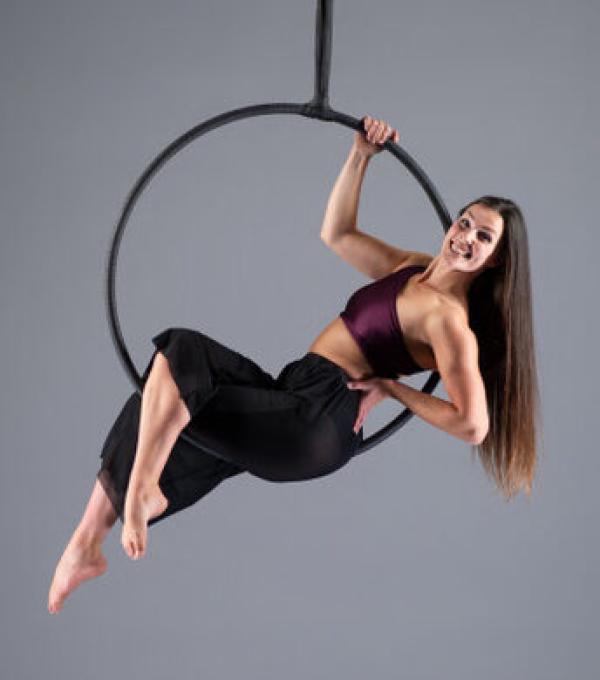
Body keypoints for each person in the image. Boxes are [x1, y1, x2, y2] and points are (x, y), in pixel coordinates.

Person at [48, 115, 540, 613]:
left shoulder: (449, 322)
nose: (466, 238)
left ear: (496, 260)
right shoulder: (412, 269)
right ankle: (89, 542)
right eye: (465, 223)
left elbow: (474, 425)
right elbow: (337, 232)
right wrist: (360, 157)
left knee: (181, 355)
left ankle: (142, 491)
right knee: (164, 388)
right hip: (296, 390)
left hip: (319, 418)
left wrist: (393, 390)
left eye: (484, 238)